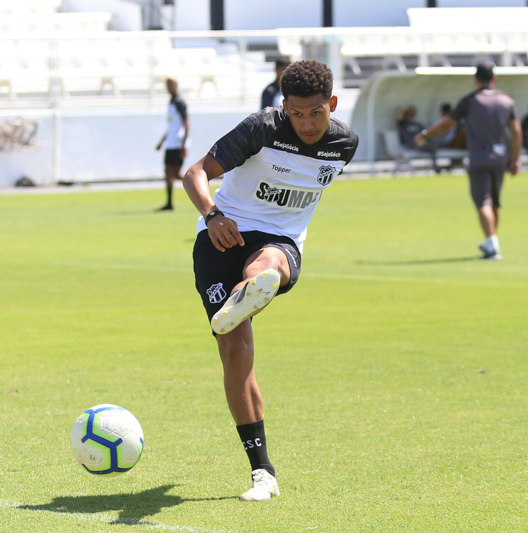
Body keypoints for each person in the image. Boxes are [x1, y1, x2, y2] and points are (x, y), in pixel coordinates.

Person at [183, 60, 358, 501]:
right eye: (297, 114)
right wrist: (213, 215)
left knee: (267, 267)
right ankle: (263, 473)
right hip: (222, 237)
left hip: (280, 241)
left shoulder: (344, 145)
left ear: (332, 104)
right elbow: (195, 173)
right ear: (284, 107)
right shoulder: (261, 129)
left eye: (316, 112)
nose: (307, 122)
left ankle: (251, 290)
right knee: (235, 349)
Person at [414, 62, 521, 260]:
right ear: (494, 79)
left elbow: (448, 123)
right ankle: (491, 240)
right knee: (495, 202)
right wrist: (515, 159)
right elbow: (516, 131)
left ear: (476, 80)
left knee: (483, 201)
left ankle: (492, 244)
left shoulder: (470, 101)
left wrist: (426, 134)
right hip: (500, 157)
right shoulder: (507, 101)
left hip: (479, 157)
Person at [155, 77, 189, 211]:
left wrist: (184, 144)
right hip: (171, 142)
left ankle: (197, 185)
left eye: (170, 84)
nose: (168, 87)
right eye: (167, 85)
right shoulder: (172, 102)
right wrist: (162, 141)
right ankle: (169, 203)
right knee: (173, 173)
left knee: (172, 172)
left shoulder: (179, 102)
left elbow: (186, 124)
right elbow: (171, 126)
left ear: (176, 85)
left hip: (177, 143)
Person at [397, 105, 440, 173]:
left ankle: (435, 165)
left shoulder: (418, 124)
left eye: (413, 113)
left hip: (422, 144)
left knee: (433, 144)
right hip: (412, 145)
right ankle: (435, 166)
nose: (412, 114)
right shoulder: (403, 123)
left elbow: (426, 133)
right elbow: (399, 111)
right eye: (410, 112)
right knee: (428, 146)